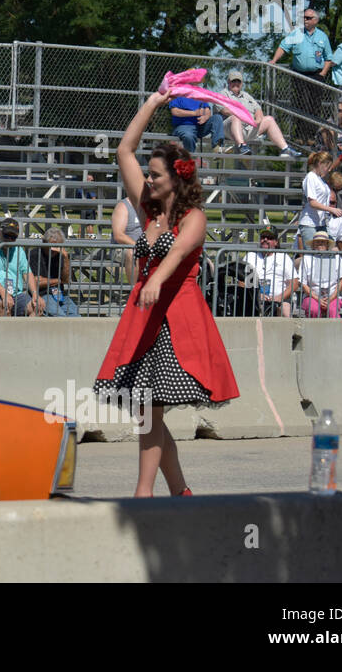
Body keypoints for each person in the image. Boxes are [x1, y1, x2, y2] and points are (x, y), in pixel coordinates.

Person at [92, 89, 240, 498]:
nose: (149, 179)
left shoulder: (194, 217)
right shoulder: (148, 211)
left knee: (149, 408)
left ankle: (144, 495)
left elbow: (177, 253)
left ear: (176, 178)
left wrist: (155, 280)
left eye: (156, 174)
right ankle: (178, 491)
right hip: (144, 318)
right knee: (147, 410)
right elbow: (124, 149)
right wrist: (155, 102)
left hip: (178, 321)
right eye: (149, 174)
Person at [270, 7, 332, 120]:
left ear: (316, 20)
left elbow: (329, 58)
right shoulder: (295, 33)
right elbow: (283, 47)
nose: (305, 20)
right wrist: (274, 60)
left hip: (317, 75)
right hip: (299, 75)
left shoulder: (322, 36)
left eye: (308, 18)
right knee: (300, 104)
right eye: (303, 18)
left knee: (315, 104)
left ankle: (312, 135)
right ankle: (299, 136)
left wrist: (322, 74)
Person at [219, 71, 299, 157]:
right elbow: (224, 110)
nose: (236, 83)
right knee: (235, 117)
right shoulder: (223, 93)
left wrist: (258, 120)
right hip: (229, 129)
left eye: (238, 81)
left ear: (241, 83)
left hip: (248, 128)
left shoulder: (246, 96)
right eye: (233, 81)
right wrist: (242, 115)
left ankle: (285, 149)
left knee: (269, 119)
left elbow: (258, 109)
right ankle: (241, 146)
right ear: (228, 82)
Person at [0, 217, 40, 317]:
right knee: (4, 304)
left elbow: (27, 272)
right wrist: (3, 292)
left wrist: (35, 294)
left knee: (37, 306)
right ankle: (3, 332)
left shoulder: (18, 249)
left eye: (13, 237)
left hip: (16, 294)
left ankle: (27, 333)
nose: (9, 239)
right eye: (6, 235)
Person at [243, 227, 298, 318]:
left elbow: (294, 283)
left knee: (285, 310)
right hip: (254, 298)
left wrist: (279, 297)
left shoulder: (283, 257)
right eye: (263, 237)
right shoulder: (250, 256)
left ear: (276, 242)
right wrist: (257, 295)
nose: (265, 240)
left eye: (269, 237)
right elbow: (242, 281)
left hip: (280, 299)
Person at [297, 151, 342, 249]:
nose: (328, 170)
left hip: (321, 223)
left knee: (329, 251)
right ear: (320, 164)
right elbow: (313, 203)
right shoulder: (311, 177)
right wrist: (331, 209)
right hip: (309, 223)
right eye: (327, 167)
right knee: (312, 256)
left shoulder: (320, 179)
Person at [30, 227, 80, 317]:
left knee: (76, 317)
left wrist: (65, 258)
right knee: (59, 317)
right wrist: (58, 281)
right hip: (43, 294)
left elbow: (67, 279)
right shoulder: (35, 254)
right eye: (52, 246)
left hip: (60, 294)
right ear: (44, 243)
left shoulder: (60, 255)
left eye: (58, 246)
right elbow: (36, 281)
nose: (54, 250)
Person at [300, 230, 342, 318]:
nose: (320, 244)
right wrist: (317, 298)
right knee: (313, 309)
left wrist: (331, 298)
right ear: (313, 245)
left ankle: (334, 331)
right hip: (312, 296)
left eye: (323, 242)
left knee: (332, 310)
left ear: (327, 245)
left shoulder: (336, 257)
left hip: (332, 295)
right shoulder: (306, 258)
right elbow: (303, 283)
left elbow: (341, 280)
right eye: (317, 242)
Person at [111, 195, 144, 285]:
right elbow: (119, 235)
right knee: (132, 253)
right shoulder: (123, 206)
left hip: (145, 247)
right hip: (123, 247)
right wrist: (139, 245)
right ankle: (134, 291)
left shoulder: (152, 205)